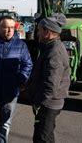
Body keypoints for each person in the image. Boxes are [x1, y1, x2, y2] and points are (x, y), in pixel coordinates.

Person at [29, 13, 70, 143]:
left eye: (39, 31)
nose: (37, 34)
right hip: (49, 103)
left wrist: (41, 105)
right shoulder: (51, 47)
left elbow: (51, 85)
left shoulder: (54, 52)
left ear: (48, 32)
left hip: (48, 104)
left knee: (42, 138)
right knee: (46, 135)